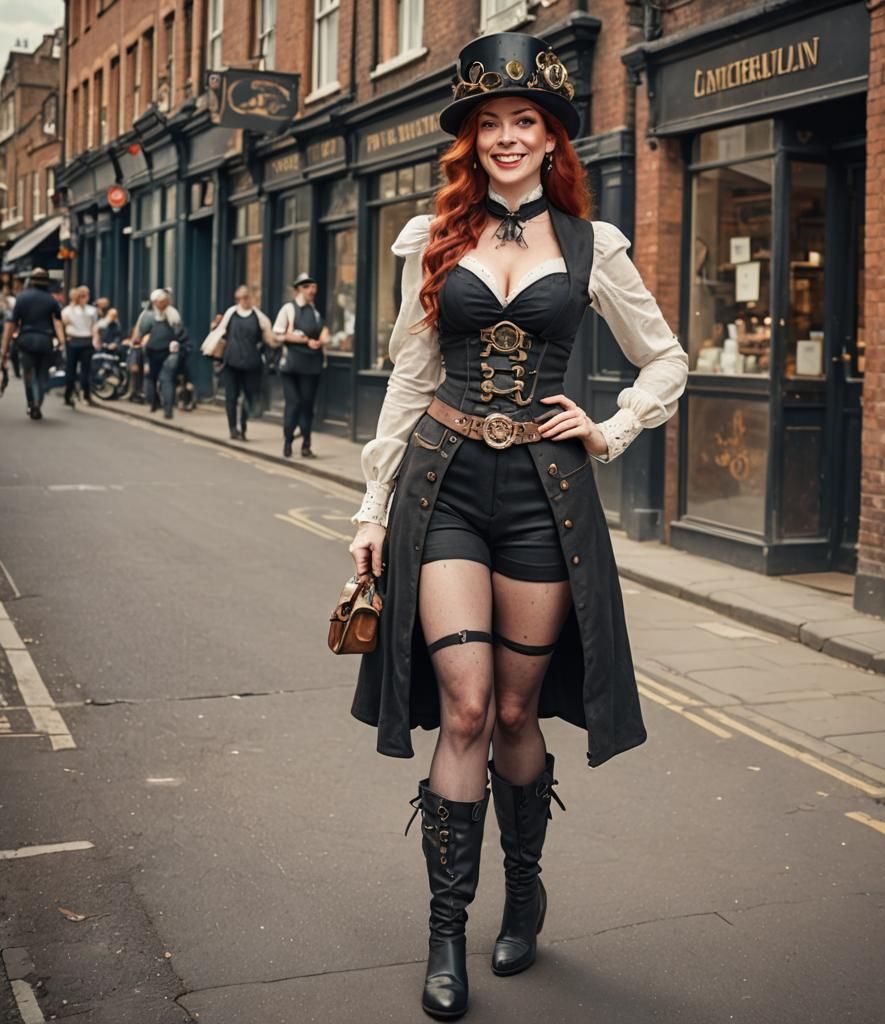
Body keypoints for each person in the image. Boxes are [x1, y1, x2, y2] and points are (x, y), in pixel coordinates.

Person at [346, 32, 688, 1021]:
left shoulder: (595, 246)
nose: (504, 137)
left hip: (545, 498)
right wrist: (370, 507)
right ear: (471, 138)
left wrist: (612, 427)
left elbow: (664, 360)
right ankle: (444, 931)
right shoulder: (431, 238)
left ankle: (524, 884)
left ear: (551, 139)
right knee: (460, 705)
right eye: (488, 123)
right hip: (443, 486)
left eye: (522, 122)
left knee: (512, 713)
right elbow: (411, 380)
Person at [203, 285, 275, 440]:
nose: (242, 301)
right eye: (239, 298)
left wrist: (278, 342)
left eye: (244, 297)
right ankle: (232, 429)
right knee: (231, 396)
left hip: (251, 363)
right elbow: (219, 332)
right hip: (231, 361)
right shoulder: (231, 313)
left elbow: (269, 338)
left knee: (249, 395)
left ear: (250, 298)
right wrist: (211, 345)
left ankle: (243, 425)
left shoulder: (259, 317)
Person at [272, 273, 327, 458]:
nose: (312, 290)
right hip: (291, 365)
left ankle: (306, 445)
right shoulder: (288, 309)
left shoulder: (315, 311)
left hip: (311, 366)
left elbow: (322, 332)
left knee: (307, 406)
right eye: (307, 287)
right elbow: (277, 334)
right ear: (298, 290)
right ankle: (287, 441)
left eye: (313, 287)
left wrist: (322, 339)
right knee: (293, 403)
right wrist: (304, 340)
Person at [0, 267, 66, 420]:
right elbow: (58, 322)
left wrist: (4, 348)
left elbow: (11, 324)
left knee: (28, 374)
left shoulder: (22, 298)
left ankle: (32, 403)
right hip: (45, 341)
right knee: (43, 373)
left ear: (31, 281)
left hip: (26, 340)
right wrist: (62, 342)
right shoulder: (52, 300)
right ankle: (38, 401)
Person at [137, 288, 187, 418]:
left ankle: (158, 405)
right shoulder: (173, 314)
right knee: (165, 380)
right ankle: (166, 408)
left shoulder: (150, 316)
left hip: (158, 352)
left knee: (156, 379)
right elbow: (180, 333)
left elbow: (142, 333)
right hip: (166, 352)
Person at [61, 285, 100, 407]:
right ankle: (85, 396)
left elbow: (63, 325)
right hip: (84, 341)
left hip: (74, 341)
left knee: (72, 369)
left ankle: (69, 395)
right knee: (84, 370)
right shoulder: (91, 311)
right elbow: (94, 327)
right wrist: (96, 339)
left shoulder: (68, 310)